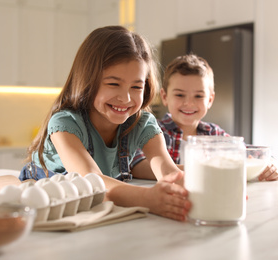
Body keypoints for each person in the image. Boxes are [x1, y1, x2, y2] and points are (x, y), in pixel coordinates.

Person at [19, 26, 191, 221]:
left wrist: (180, 188)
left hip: (96, 206)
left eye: (136, 86)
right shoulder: (65, 124)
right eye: (113, 84)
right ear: (88, 80)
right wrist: (148, 198)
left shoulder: (142, 122)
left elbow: (167, 170)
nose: (126, 98)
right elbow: (92, 181)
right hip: (48, 208)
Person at [131, 54, 278, 181]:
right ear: (164, 97)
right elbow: (137, 165)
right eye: (179, 95)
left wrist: (269, 164)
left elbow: (251, 153)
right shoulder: (152, 131)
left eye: (198, 96)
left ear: (210, 100)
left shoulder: (213, 133)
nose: (188, 103)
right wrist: (204, 170)